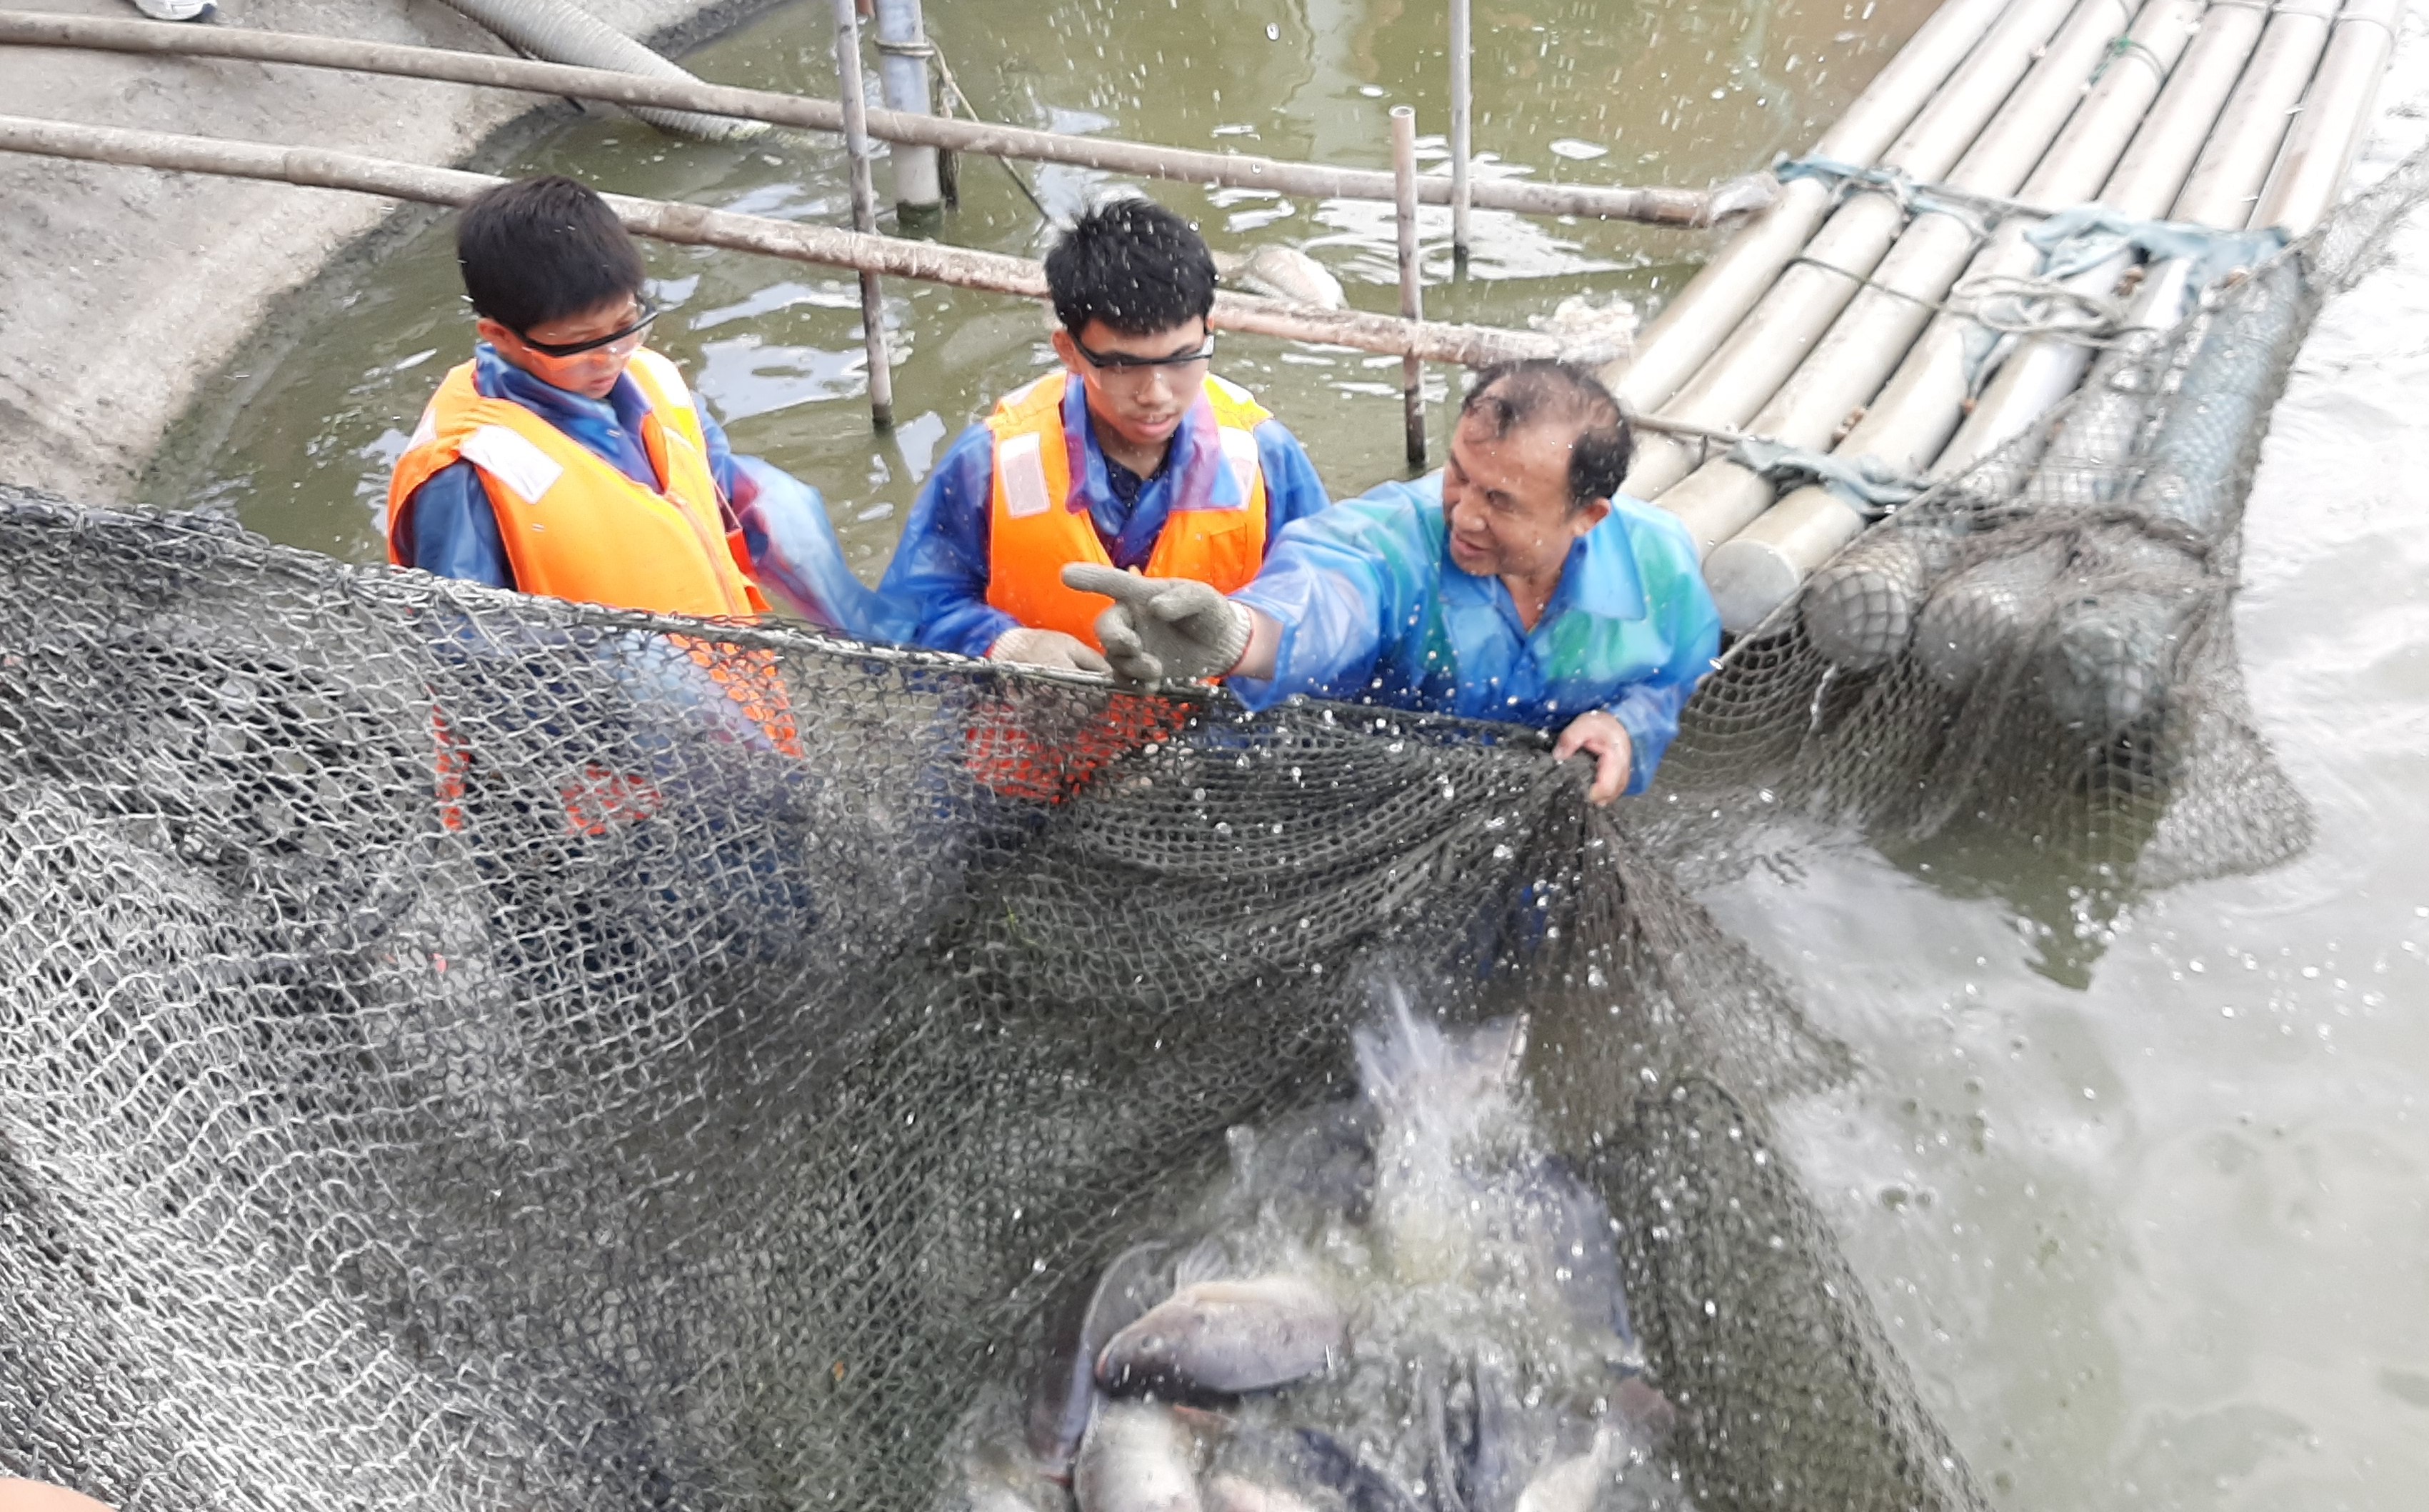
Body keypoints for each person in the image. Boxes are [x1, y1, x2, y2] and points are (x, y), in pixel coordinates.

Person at [1068, 360, 1721, 803]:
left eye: (1501, 501)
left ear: (1587, 516)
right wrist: (1238, 635)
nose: (1463, 515)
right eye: (1458, 472)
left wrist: (1624, 727)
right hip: (1353, 798)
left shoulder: (1658, 568)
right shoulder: (1389, 536)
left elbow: (1668, 680)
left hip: (1521, 814)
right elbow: (1326, 594)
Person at [386, 174, 888, 639]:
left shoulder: (652, 379)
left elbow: (720, 489)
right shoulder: (468, 469)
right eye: (580, 343)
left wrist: (787, 526)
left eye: (626, 326)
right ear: (501, 337)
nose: (610, 359)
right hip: (598, 726)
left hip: (732, 685)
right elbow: (468, 647)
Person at [878, 197, 1332, 674]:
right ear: (1068, 351)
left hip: (1220, 734)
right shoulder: (989, 461)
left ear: (1208, 332)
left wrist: (1241, 634)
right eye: (1123, 365)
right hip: (1042, 727)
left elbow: (1331, 609)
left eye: (1181, 358)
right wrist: (1007, 645)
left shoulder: (1264, 456)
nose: (1156, 394)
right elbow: (904, 615)